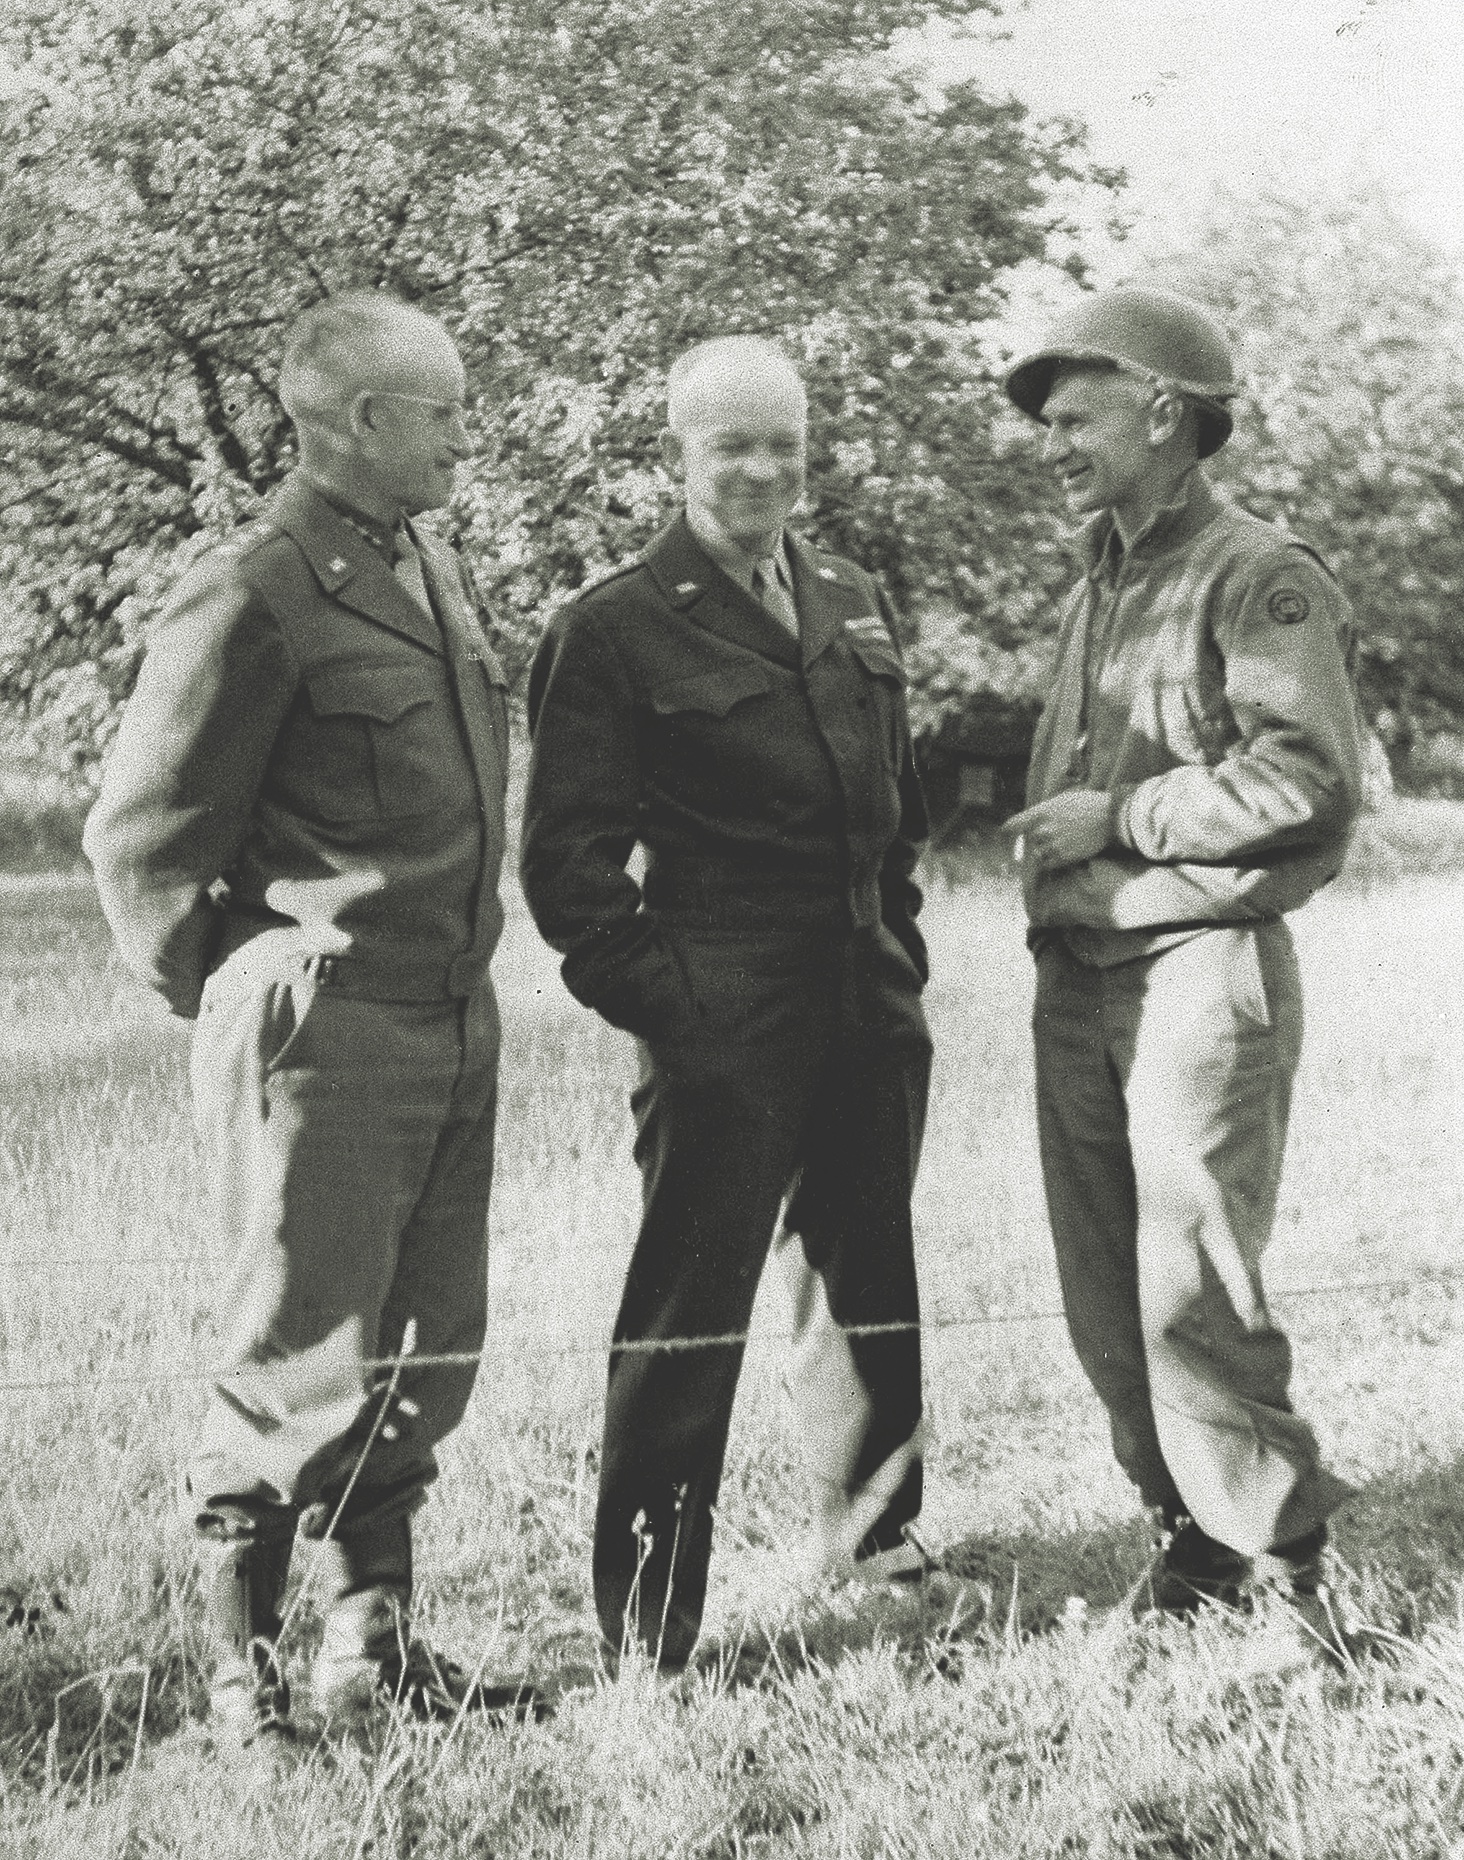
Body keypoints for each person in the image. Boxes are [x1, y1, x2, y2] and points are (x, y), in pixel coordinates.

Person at [84, 293, 533, 1742]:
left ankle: (369, 1652)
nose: (468, 438)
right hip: (324, 1034)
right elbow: (139, 838)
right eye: (445, 413)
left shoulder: (425, 565)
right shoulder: (257, 589)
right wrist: (240, 995)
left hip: (450, 1020)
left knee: (421, 1348)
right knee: (293, 1357)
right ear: (356, 423)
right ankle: (244, 1686)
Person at [520, 336, 933, 1672]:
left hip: (866, 1001)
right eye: (730, 446)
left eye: (784, 446)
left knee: (865, 1273)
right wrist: (678, 1010)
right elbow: (568, 873)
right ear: (676, 457)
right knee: (688, 1313)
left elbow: (896, 812)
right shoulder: (615, 624)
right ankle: (651, 1624)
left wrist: (904, 958)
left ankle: (875, 1539)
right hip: (721, 1015)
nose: (761, 471)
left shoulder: (854, 595)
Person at [1001, 286, 1363, 1618]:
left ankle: (1287, 1581)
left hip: (1199, 968)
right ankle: (1195, 1546)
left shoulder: (1261, 577)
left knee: (1188, 1293)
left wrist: (1129, 815)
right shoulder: (1100, 575)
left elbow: (1311, 780)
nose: (1054, 440)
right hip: (1079, 973)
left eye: (1075, 413)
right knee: (1105, 1301)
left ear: (1163, 411)